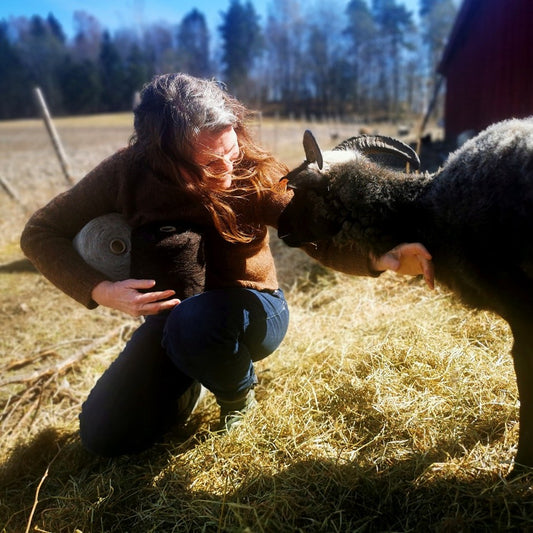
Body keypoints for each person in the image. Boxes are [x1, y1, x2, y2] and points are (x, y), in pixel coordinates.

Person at [20, 73, 433, 457]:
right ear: (163, 156)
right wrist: (101, 290)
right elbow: (40, 232)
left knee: (195, 324)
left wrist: (377, 256)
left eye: (231, 152)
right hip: (173, 324)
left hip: (254, 311)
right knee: (105, 436)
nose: (229, 170)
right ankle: (196, 378)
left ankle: (237, 394)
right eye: (211, 165)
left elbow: (313, 234)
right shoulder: (126, 173)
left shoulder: (251, 170)